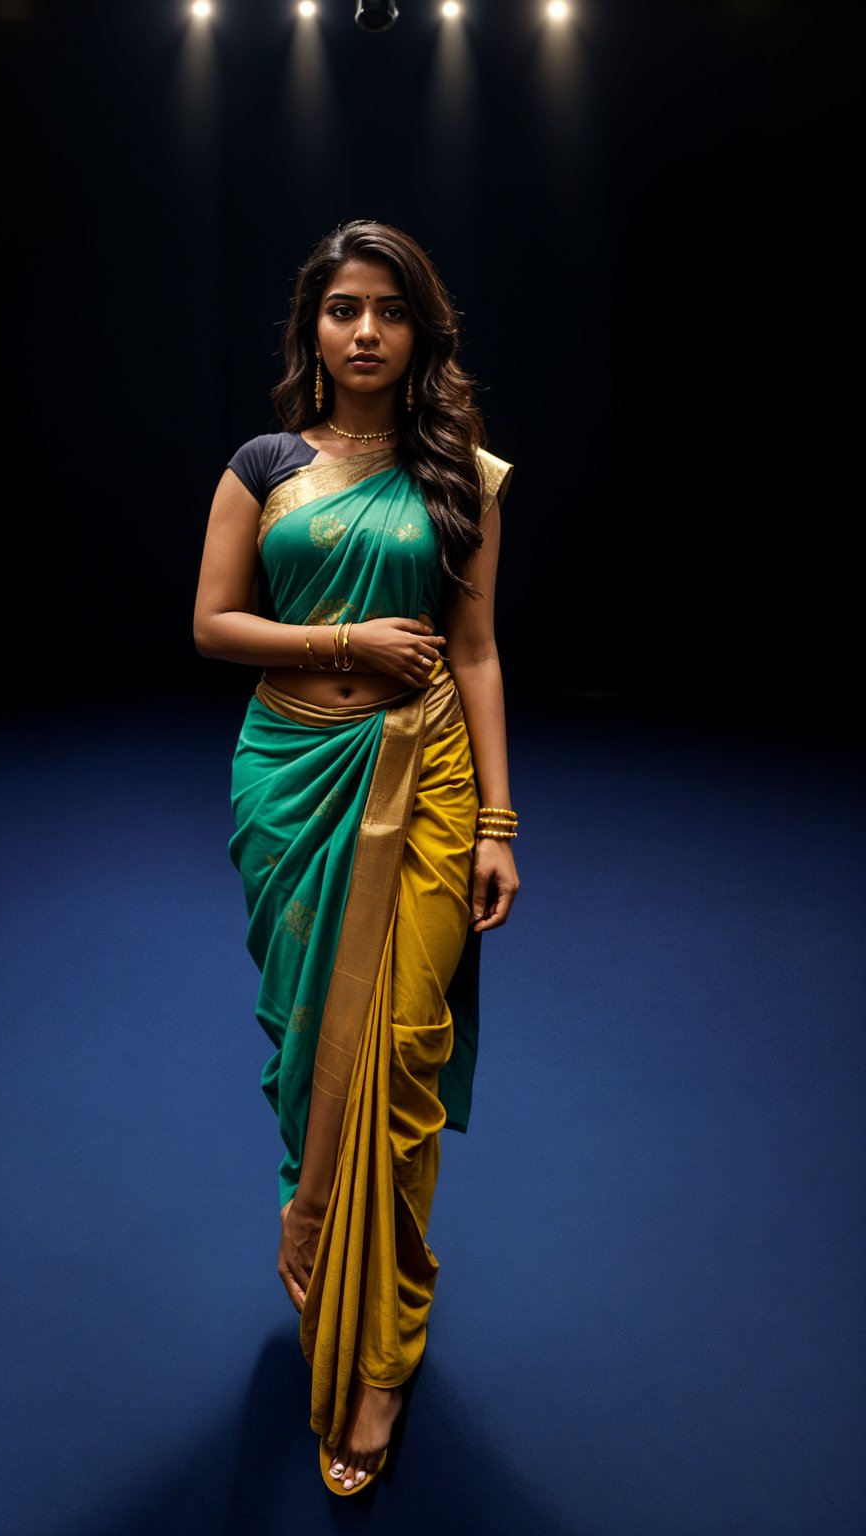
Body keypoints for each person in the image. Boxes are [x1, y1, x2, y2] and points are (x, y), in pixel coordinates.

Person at [193, 220, 519, 1495]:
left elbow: (478, 653)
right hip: (291, 778)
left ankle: (381, 1358)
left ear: (419, 329)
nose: (367, 330)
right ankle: (315, 1222)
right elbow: (214, 624)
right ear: (312, 329)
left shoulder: (459, 476)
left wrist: (498, 821)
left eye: (389, 309)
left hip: (426, 774)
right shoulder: (264, 463)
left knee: (402, 1051)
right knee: (309, 1045)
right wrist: (343, 650)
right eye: (343, 309)